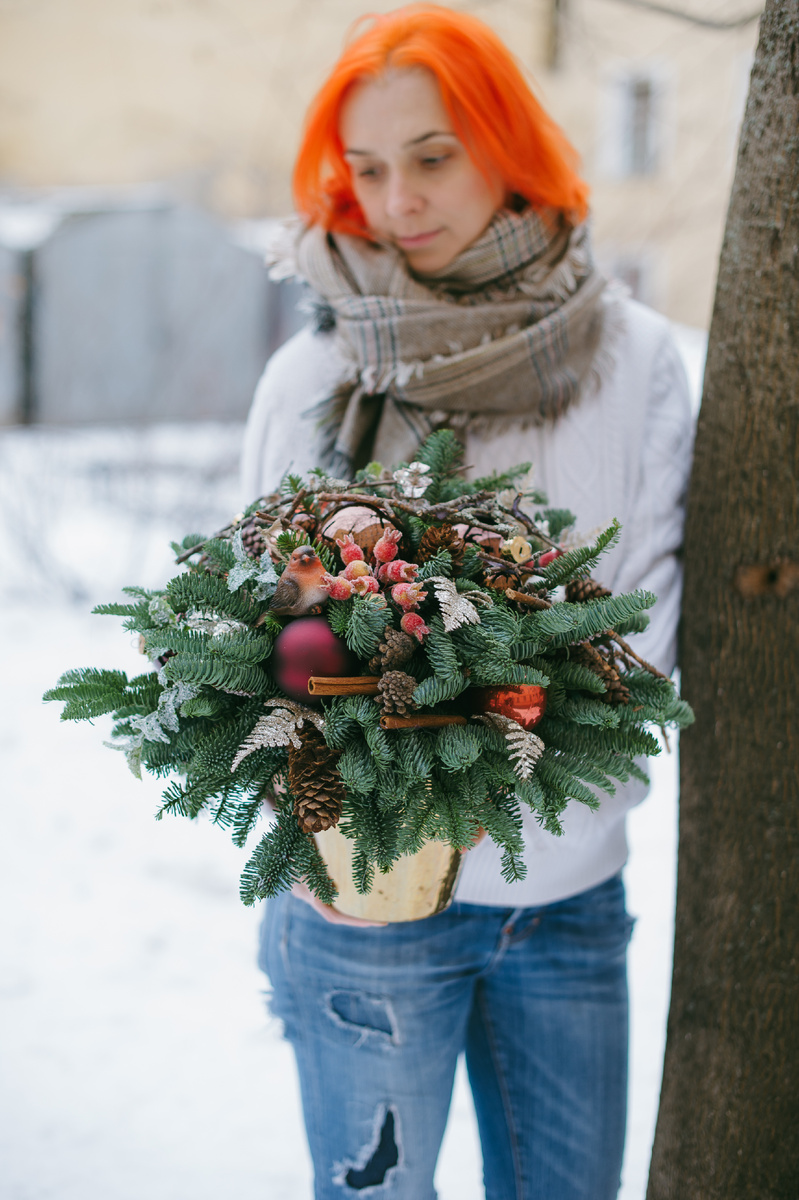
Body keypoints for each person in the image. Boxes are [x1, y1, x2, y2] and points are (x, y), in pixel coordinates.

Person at [241, 7, 693, 1198]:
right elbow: (260, 635)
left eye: (433, 156)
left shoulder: (633, 363)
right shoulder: (314, 375)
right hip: (364, 905)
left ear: (505, 143)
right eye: (369, 167)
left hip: (566, 897)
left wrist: (504, 767)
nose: (399, 201)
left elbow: (640, 630)